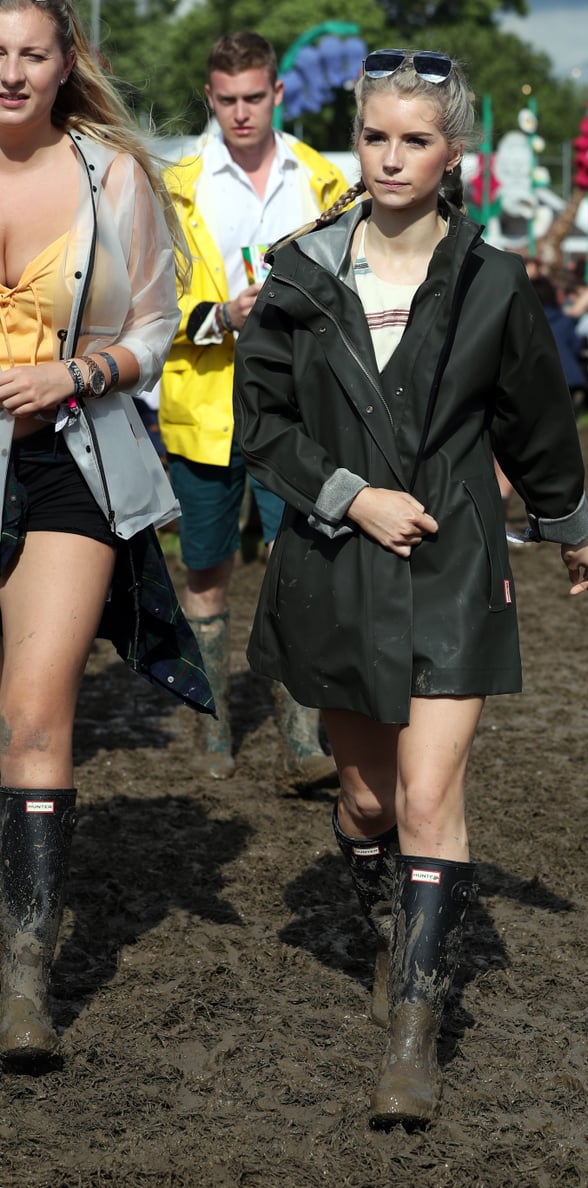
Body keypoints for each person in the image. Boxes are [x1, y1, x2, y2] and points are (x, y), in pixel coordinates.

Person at [234, 49, 588, 1128]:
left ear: (456, 154)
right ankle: (391, 922)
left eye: (417, 140)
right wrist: (350, 496)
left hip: (455, 560)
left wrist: (569, 527)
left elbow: (539, 420)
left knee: (433, 798)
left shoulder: (495, 282)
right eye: (377, 136)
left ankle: (413, 1034)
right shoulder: (300, 272)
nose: (392, 158)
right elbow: (262, 427)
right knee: (366, 801)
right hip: (336, 566)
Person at [0, 0, 213, 1069]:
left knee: (36, 711)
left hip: (68, 461)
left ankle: (24, 983)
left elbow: (154, 328)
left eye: (31, 54)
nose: (10, 72)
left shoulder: (112, 176)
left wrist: (72, 372)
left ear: (64, 61)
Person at [159, 32, 348, 786]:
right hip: (203, 404)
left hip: (295, 410)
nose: (241, 112)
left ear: (277, 94)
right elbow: (145, 300)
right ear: (211, 98)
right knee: (204, 567)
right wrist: (222, 317)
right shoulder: (176, 182)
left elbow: (354, 289)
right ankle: (213, 726)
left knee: (295, 564)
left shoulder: (323, 180)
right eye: (227, 99)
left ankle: (303, 738)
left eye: (254, 97)